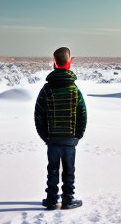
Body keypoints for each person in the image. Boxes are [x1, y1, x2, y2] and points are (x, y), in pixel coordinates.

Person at [34, 46, 87, 210]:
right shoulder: (74, 90)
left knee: (53, 170)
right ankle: (67, 199)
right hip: (69, 139)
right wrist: (77, 136)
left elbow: (39, 115)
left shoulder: (46, 90)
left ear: (54, 64)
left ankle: (51, 199)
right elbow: (82, 114)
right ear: (69, 64)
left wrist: (46, 137)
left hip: (53, 139)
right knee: (69, 171)